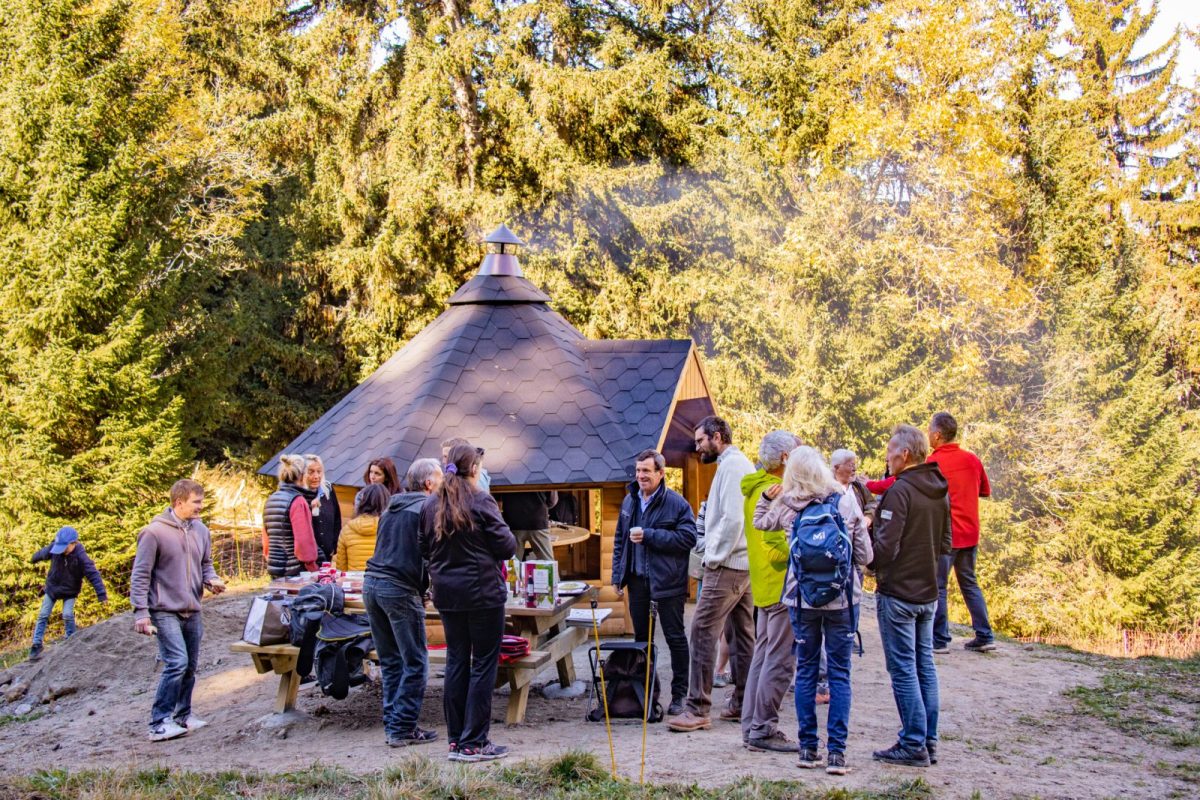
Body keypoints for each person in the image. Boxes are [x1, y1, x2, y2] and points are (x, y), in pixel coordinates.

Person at [755, 446, 872, 775]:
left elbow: (759, 522)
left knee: (805, 671)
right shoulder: (845, 500)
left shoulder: (788, 503)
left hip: (802, 598)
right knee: (839, 673)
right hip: (842, 599)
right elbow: (865, 556)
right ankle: (837, 754)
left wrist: (765, 497)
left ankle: (807, 749)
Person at [419, 443, 516, 762]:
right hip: (483, 593)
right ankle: (474, 742)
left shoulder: (431, 504)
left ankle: (456, 739)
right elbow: (507, 546)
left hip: (447, 595)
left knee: (457, 661)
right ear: (474, 468)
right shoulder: (481, 499)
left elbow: (423, 547)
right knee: (484, 663)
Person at [668, 415, 756, 732]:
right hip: (742, 563)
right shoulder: (736, 465)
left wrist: (714, 557)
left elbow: (733, 520)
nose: (698, 448)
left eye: (701, 441)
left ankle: (697, 708)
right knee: (741, 634)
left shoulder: (732, 467)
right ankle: (744, 702)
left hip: (729, 564)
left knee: (703, 629)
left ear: (717, 437)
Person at [870, 424, 952, 767]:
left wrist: (871, 563)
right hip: (928, 593)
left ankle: (913, 742)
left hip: (899, 592)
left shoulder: (900, 491)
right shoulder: (939, 488)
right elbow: (946, 544)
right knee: (924, 665)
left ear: (904, 454)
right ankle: (928, 740)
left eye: (890, 452)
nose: (887, 458)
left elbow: (886, 546)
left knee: (903, 668)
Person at [130, 479, 226, 742]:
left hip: (192, 608)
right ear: (178, 502)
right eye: (196, 502)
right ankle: (159, 722)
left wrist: (212, 580)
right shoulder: (153, 533)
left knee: (190, 665)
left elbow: (206, 564)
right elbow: (140, 574)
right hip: (163, 609)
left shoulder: (201, 531)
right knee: (177, 663)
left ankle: (183, 715)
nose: (200, 507)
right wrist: (141, 612)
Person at [611, 449, 697, 716]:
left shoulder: (677, 503)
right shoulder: (629, 501)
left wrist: (650, 535)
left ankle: (680, 694)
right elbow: (619, 540)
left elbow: (688, 538)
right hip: (637, 580)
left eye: (646, 471)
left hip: (668, 581)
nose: (640, 476)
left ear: (661, 473)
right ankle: (647, 693)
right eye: (638, 471)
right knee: (642, 640)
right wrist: (617, 576)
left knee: (675, 637)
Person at [364, 458, 442, 747]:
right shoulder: (427, 509)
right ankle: (402, 727)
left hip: (372, 585)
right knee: (416, 661)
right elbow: (431, 553)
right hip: (398, 589)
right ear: (429, 483)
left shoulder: (391, 508)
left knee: (391, 661)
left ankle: (393, 725)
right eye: (440, 480)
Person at [739, 431, 802, 752]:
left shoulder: (756, 488)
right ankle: (763, 729)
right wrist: (806, 550)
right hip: (780, 585)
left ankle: (752, 726)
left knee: (763, 657)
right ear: (784, 459)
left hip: (765, 584)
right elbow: (774, 546)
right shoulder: (775, 492)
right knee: (780, 661)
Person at [926, 412, 996, 654]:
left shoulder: (933, 462)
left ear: (937, 435)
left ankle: (939, 640)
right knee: (969, 583)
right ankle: (984, 635)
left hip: (946, 535)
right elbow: (984, 491)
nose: (928, 434)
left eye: (929, 430)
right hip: (970, 532)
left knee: (939, 586)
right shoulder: (972, 459)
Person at [28, 526, 108, 661]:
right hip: (53, 588)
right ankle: (36, 644)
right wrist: (34, 558)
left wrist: (101, 594)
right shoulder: (55, 548)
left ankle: (71, 640)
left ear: (73, 543)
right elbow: (43, 553)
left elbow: (92, 573)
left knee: (67, 614)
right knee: (43, 614)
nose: (62, 550)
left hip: (70, 590)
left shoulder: (80, 556)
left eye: (64, 547)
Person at [263, 454, 320, 577]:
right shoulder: (298, 501)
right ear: (302, 476)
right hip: (294, 571)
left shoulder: (271, 499)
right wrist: (313, 568)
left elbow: (266, 539)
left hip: (274, 568)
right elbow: (304, 543)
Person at [336, 483, 389, 571]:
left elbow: (341, 567)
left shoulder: (347, 529)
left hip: (352, 578)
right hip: (379, 578)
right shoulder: (389, 529)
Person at [303, 454, 343, 563]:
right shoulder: (299, 495)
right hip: (307, 557)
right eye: (311, 472)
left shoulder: (328, 490)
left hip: (327, 555)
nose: (316, 476)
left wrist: (334, 545)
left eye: (319, 471)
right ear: (302, 474)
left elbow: (337, 519)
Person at [501, 490, 558, 562]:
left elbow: (497, 502)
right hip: (538, 521)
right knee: (548, 563)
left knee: (512, 565)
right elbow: (552, 501)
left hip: (513, 522)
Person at [831, 448, 877, 528]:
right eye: (850, 465)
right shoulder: (827, 490)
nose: (854, 469)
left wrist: (868, 517)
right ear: (837, 468)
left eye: (854, 465)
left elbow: (872, 504)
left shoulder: (858, 487)